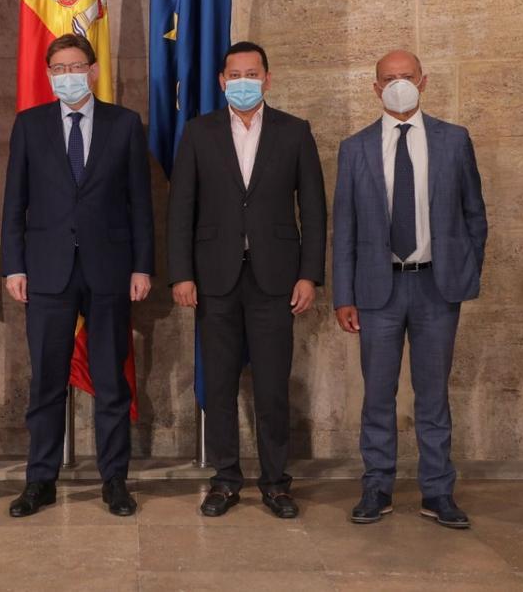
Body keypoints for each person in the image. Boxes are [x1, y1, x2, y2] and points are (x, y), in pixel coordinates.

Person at [167, 41, 326, 519]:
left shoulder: (295, 132)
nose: (242, 81)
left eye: (251, 73)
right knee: (218, 386)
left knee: (273, 387)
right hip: (214, 279)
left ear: (267, 79)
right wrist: (181, 274)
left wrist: (310, 276)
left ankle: (277, 482)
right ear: (221, 81)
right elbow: (180, 212)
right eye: (233, 74)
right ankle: (225, 479)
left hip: (276, 280)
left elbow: (314, 212)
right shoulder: (198, 133)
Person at [332, 50, 487, 529]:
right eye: (389, 78)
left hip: (436, 289)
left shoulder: (454, 141)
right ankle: (376, 486)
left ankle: (438, 492)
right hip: (377, 290)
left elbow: (474, 215)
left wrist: (462, 269)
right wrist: (344, 295)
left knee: (432, 396)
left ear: (423, 80)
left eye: (406, 77)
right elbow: (345, 228)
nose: (399, 84)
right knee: (377, 394)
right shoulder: (355, 148)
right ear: (375, 88)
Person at [1, 33, 154, 518]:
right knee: (46, 382)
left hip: (109, 270)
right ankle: (39, 481)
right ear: (49, 75)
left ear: (92, 70)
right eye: (58, 68)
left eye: (76, 66)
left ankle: (114, 480)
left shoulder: (124, 124)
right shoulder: (29, 125)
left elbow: (140, 204)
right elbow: (14, 205)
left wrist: (142, 265)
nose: (67, 75)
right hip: (46, 271)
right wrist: (13, 265)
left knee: (111, 381)